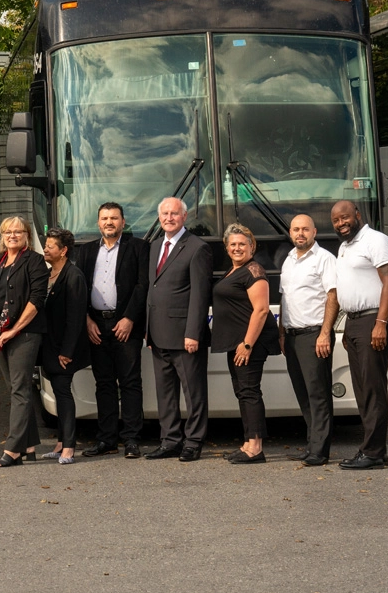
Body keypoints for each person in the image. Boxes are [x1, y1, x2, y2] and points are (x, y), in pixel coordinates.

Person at [72, 202, 149, 459]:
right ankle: (106, 440)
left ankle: (131, 439)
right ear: (98, 223)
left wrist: (129, 319)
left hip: (125, 325)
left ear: (123, 222)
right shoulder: (85, 251)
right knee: (103, 383)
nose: (109, 222)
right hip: (95, 324)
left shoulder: (138, 248)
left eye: (114, 218)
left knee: (129, 382)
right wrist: (86, 320)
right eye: (104, 218)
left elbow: (142, 286)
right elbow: (78, 289)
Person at [331, 200, 388, 469]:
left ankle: (372, 452)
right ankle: (375, 451)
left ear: (357, 215)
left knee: (373, 389)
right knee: (362, 390)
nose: (341, 223)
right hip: (356, 322)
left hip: (375, 319)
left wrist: (380, 323)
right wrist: (347, 326)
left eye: (345, 217)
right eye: (336, 220)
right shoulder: (345, 247)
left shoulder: (377, 240)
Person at [0, 215, 48, 467]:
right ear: (2, 235)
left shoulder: (35, 261)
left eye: (18, 231)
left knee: (19, 389)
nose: (12, 235)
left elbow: (37, 300)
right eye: (8, 231)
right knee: (17, 390)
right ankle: (28, 444)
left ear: (27, 235)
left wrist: (12, 330)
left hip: (24, 334)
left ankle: (13, 449)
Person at [145, 196, 212, 462]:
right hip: (159, 336)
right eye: (164, 214)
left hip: (185, 336)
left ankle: (194, 441)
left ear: (185, 217)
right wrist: (149, 332)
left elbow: (199, 295)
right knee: (165, 394)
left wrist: (193, 333)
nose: (169, 218)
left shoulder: (197, 248)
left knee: (194, 393)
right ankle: (170, 440)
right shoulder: (154, 247)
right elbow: (154, 290)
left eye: (174, 214)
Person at [212, 223, 279, 464]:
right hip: (235, 343)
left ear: (252, 246)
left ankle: (256, 448)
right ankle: (248, 442)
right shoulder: (233, 271)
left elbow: (261, 310)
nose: (237, 248)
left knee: (249, 392)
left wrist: (248, 344)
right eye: (233, 244)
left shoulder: (254, 270)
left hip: (249, 344)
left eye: (242, 244)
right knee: (243, 391)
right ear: (226, 248)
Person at [279, 214, 339, 466]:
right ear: (290, 233)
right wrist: (282, 333)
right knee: (303, 393)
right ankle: (311, 444)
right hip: (292, 336)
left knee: (318, 394)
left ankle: (320, 451)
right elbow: (285, 299)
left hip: (315, 335)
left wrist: (325, 333)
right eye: (295, 229)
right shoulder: (289, 259)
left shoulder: (325, 259)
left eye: (305, 229)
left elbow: (333, 296)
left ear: (314, 232)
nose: (300, 233)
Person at [39, 228, 90, 464]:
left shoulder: (74, 276)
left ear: (64, 250)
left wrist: (67, 351)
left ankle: (69, 447)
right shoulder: (48, 274)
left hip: (65, 348)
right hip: (50, 345)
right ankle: (60, 443)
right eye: (46, 245)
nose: (46, 249)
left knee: (63, 392)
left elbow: (76, 317)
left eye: (50, 246)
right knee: (59, 394)